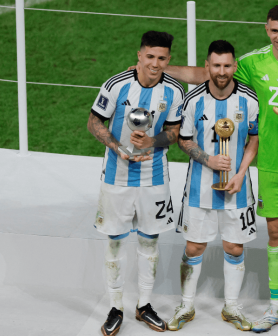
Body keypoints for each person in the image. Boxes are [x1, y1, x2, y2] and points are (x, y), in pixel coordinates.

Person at [154, 5, 278, 336]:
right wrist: (162, 70)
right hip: (269, 167)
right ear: (266, 30)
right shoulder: (253, 63)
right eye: (274, 30)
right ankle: (277, 307)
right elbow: (208, 74)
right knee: (277, 235)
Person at [88, 30, 185, 336]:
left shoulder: (175, 91)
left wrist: (151, 142)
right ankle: (115, 307)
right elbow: (94, 122)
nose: (155, 64)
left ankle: (144, 305)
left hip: (154, 177)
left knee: (149, 241)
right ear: (139, 56)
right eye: (150, 57)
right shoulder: (116, 84)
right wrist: (117, 146)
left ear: (168, 59)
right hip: (116, 175)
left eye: (162, 58)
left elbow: (174, 132)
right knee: (115, 240)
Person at [165, 40, 259, 332]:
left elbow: (254, 138)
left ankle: (231, 307)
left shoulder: (249, 99)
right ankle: (187, 305)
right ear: (207, 66)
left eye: (227, 65)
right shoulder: (192, 101)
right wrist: (208, 160)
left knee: (234, 246)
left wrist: (241, 172)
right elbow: (184, 139)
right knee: (194, 247)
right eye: (216, 65)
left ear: (234, 66)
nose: (221, 71)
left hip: (237, 188)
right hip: (199, 188)